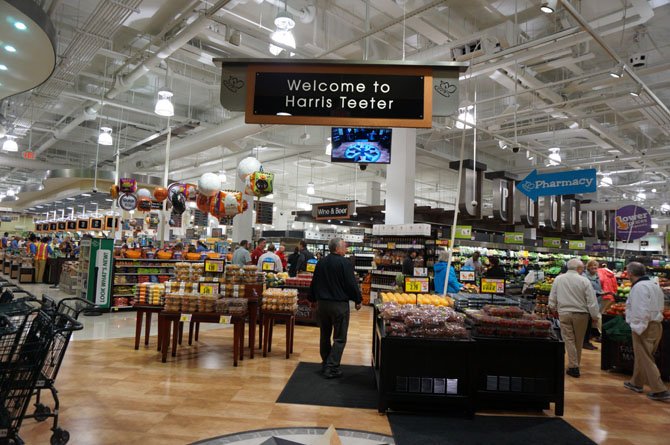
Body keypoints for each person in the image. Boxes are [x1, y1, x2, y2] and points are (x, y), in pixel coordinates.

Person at [309, 237, 362, 379]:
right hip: (339, 305)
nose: (346, 249)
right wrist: (358, 299)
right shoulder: (345, 263)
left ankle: (326, 362)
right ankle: (331, 367)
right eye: (344, 246)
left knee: (324, 335)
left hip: (322, 305)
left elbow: (314, 282)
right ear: (337, 248)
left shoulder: (321, 262)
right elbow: (351, 284)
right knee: (339, 338)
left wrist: (312, 299)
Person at [623, 262, 670, 401]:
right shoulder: (654, 285)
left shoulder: (639, 287)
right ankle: (636, 383)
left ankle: (660, 389)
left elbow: (640, 309)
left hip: (645, 326)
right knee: (643, 355)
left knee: (646, 357)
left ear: (630, 273)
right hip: (656, 324)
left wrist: (637, 327)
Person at [549, 258, 599, 378]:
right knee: (578, 341)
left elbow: (553, 296)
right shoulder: (584, 281)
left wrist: (552, 308)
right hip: (581, 314)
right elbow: (591, 300)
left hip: (564, 313)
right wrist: (595, 316)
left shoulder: (559, 279)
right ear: (579, 268)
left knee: (568, 340)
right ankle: (574, 366)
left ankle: (574, 366)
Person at [582, 260, 603, 350]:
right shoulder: (584, 276)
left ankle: (587, 341)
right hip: (587, 303)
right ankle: (584, 342)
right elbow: (586, 290)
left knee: (590, 322)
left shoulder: (597, 276)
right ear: (588, 267)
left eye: (596, 267)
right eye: (592, 267)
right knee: (586, 323)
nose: (594, 269)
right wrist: (599, 292)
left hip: (596, 301)